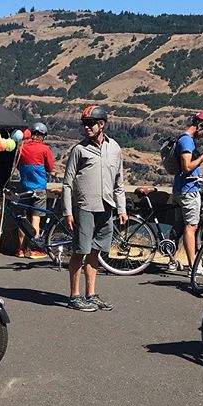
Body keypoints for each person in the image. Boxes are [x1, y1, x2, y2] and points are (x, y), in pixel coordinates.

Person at [62, 105, 127, 311]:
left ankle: (90, 295)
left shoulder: (115, 148)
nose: (86, 127)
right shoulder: (79, 150)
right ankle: (74, 296)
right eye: (84, 124)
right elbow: (67, 183)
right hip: (85, 207)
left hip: (106, 206)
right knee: (80, 252)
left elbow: (119, 183)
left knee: (95, 252)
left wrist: (122, 209)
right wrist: (67, 211)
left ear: (102, 124)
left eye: (90, 123)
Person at [172, 111, 203, 273]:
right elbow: (187, 167)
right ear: (200, 126)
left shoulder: (184, 139)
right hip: (188, 191)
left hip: (181, 189)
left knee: (182, 227)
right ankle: (194, 266)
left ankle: (174, 259)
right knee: (191, 227)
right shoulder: (187, 141)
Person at [15, 121, 54, 259]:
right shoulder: (44, 149)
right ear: (43, 136)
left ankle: (20, 249)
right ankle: (34, 249)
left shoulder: (22, 148)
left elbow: (18, 166)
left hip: (24, 188)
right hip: (39, 189)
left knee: (22, 218)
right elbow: (50, 168)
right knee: (35, 218)